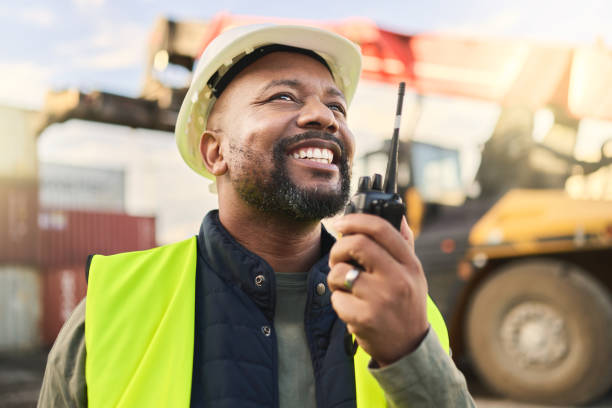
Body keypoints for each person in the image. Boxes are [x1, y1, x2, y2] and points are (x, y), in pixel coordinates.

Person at [38, 23, 475, 407]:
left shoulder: (409, 312)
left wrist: (410, 356)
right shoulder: (111, 311)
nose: (324, 117)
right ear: (215, 151)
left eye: (337, 107)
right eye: (283, 97)